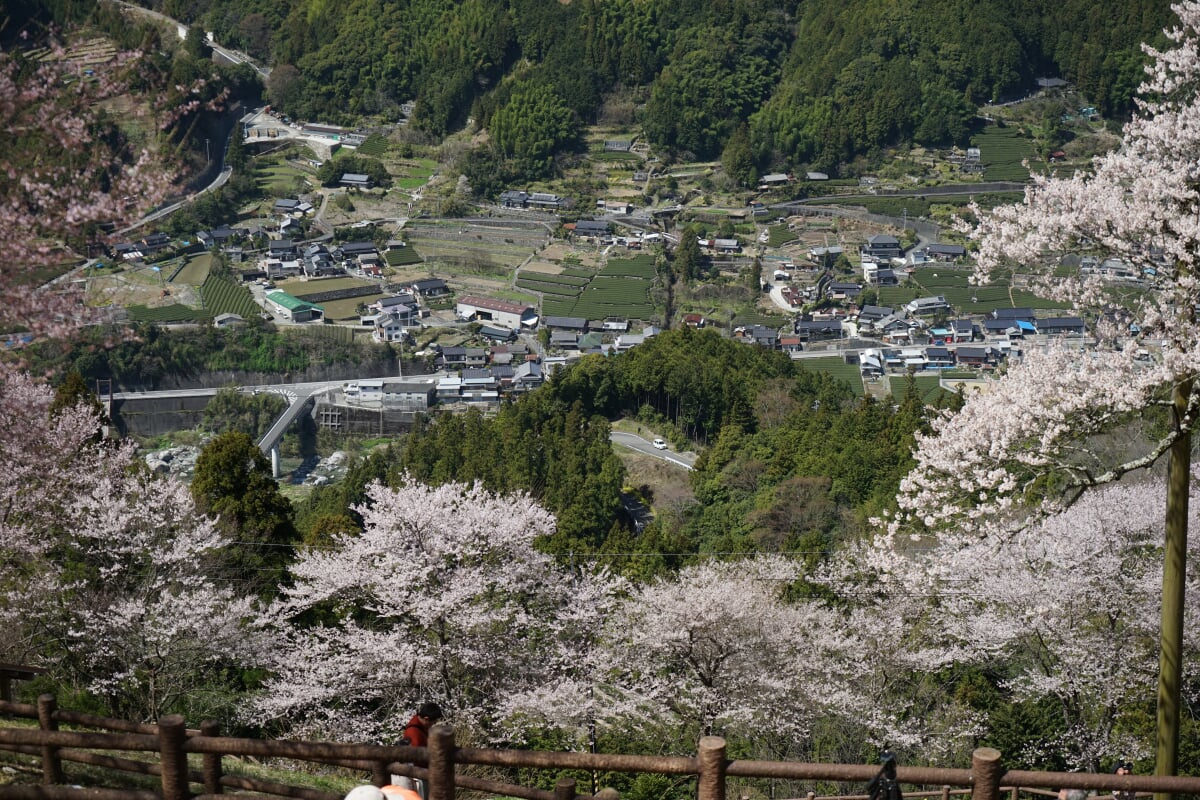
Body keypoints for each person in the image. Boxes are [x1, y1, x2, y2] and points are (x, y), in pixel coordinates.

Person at [392, 702, 443, 799]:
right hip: (417, 772)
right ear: (426, 719)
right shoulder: (414, 732)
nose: (433, 725)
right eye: (433, 722)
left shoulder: (419, 728)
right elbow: (416, 755)